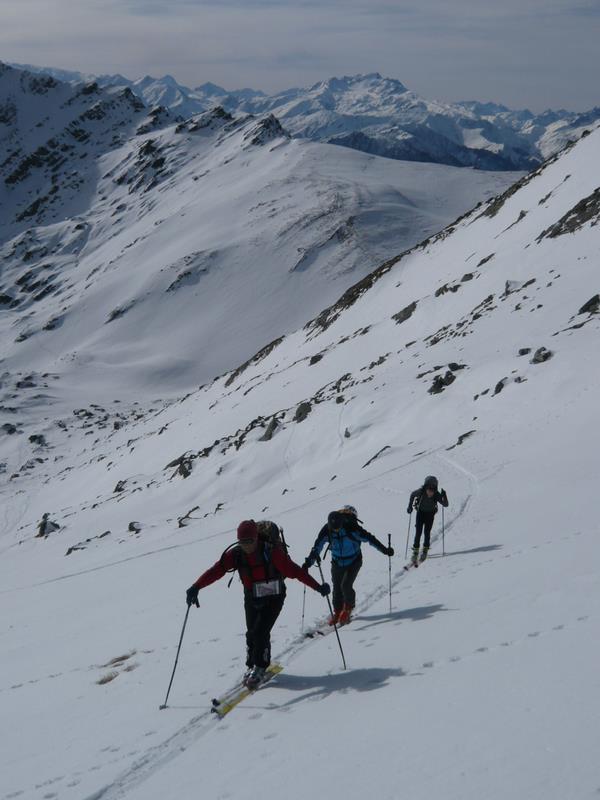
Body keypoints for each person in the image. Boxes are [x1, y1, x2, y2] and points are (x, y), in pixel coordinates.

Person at [186, 519, 329, 688]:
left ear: (256, 538)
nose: (246, 546)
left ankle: (260, 666)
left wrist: (318, 587)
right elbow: (216, 571)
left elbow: (295, 571)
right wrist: (196, 586)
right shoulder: (236, 554)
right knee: (251, 633)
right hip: (252, 595)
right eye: (242, 542)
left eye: (250, 541)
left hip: (275, 595)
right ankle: (251, 665)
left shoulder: (272, 552)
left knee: (261, 632)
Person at [303, 505, 393, 626]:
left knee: (345, 585)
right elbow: (317, 546)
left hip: (354, 561)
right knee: (336, 588)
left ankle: (348, 607)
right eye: (334, 529)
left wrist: (384, 550)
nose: (336, 531)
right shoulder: (327, 529)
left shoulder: (351, 527)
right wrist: (309, 561)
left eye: (338, 528)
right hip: (337, 562)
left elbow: (370, 539)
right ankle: (337, 611)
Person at [407, 476, 448, 563]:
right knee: (418, 532)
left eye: (432, 491)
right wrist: (409, 506)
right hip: (420, 513)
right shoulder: (421, 492)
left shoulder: (436, 495)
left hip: (430, 514)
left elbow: (445, 504)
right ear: (425, 487)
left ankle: (425, 550)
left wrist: (444, 496)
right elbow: (412, 495)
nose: (430, 493)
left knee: (427, 532)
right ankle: (415, 551)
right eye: (429, 490)